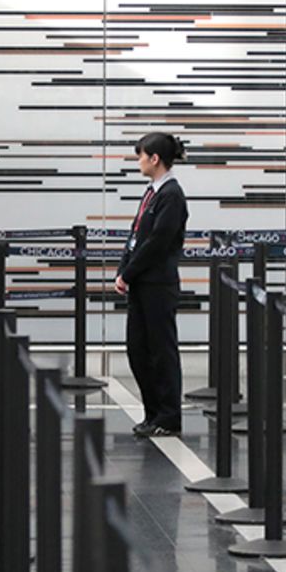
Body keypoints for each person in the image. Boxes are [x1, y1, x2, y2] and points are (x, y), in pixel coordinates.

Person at [115, 133, 188, 437]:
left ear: (155, 159)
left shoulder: (172, 195)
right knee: (138, 350)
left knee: (161, 351)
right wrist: (124, 270)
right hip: (140, 284)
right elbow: (137, 236)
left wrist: (128, 273)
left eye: (141, 155)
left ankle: (168, 416)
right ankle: (152, 413)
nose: (139, 161)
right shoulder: (152, 193)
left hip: (157, 285)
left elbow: (158, 242)